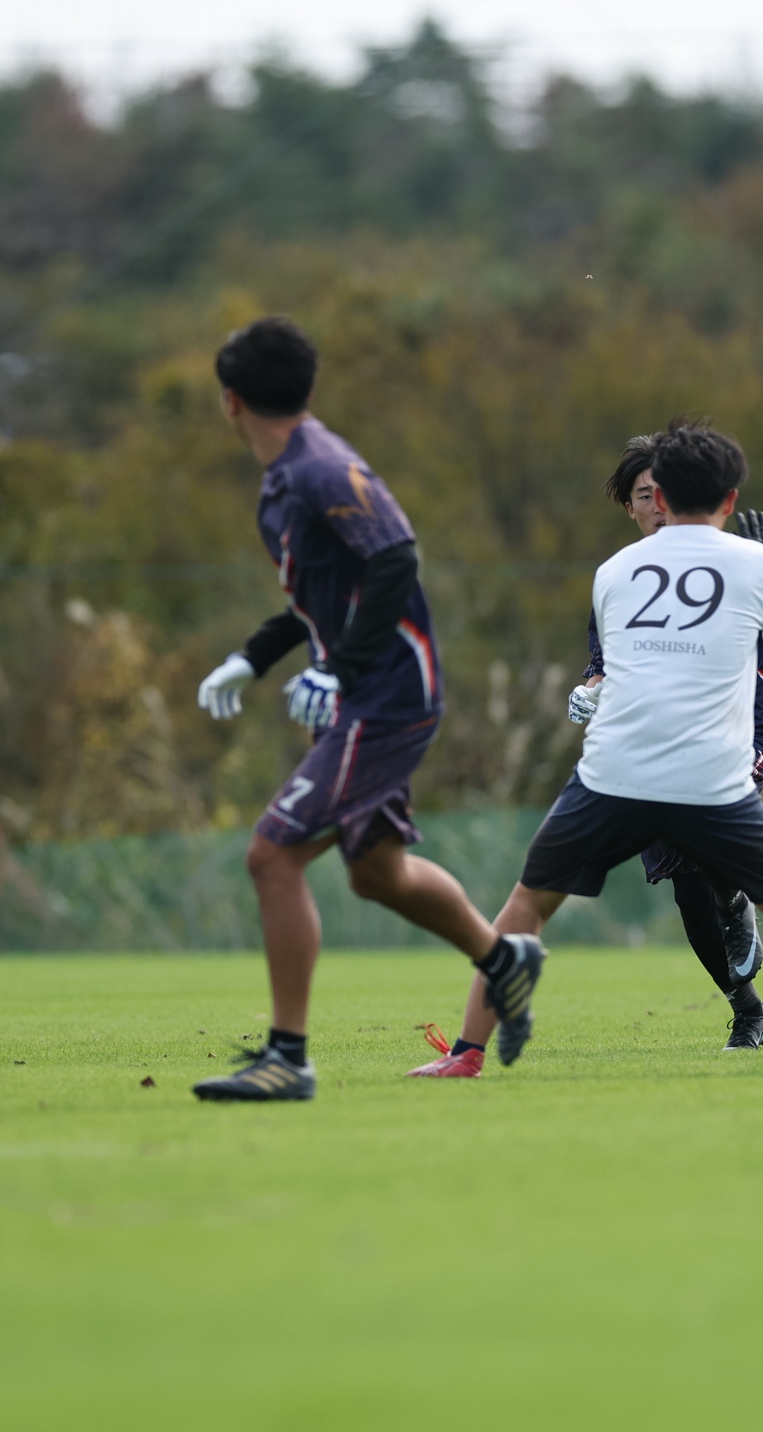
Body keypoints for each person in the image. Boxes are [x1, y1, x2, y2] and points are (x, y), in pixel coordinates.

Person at [425, 417, 763, 1069]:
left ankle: (467, 1053)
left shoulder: (613, 571)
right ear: (731, 499)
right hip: (712, 777)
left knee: (528, 903)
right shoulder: (757, 562)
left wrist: (596, 688)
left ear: (659, 497)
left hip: (615, 774)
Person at [190, 317, 545, 1101]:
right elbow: (326, 597)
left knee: (272, 855)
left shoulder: (322, 468)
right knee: (376, 873)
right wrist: (254, 656)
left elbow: (394, 559)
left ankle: (288, 1058)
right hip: (365, 695)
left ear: (230, 400)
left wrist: (341, 669)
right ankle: (504, 959)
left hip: (386, 698)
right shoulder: (289, 475)